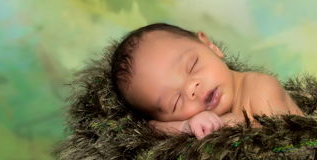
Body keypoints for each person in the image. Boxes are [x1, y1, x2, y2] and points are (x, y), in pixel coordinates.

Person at [110, 23, 304, 139]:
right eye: (176, 101)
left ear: (210, 46)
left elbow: (283, 142)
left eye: (192, 65)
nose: (191, 89)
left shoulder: (261, 87)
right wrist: (186, 127)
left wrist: (229, 123)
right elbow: (150, 128)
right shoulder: (180, 122)